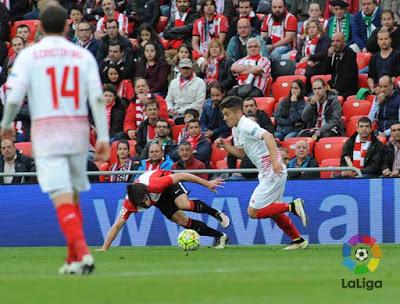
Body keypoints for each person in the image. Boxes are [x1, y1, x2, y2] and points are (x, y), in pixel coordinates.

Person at [0, 5, 110, 275]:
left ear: (39, 28)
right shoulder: (82, 55)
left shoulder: (29, 55)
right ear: (66, 27)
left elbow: (14, 97)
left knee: (61, 196)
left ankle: (83, 254)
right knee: (71, 194)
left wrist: (5, 124)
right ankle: (73, 260)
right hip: (77, 131)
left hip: (48, 132)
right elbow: (96, 97)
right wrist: (104, 136)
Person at [215, 96, 309, 250]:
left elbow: (268, 136)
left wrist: (274, 161)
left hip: (272, 170)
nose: (224, 118)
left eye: (227, 114)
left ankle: (292, 206)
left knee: (253, 211)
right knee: (272, 210)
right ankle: (298, 240)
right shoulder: (236, 128)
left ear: (238, 112)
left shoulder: (246, 124)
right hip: (268, 171)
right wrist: (225, 146)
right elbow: (242, 153)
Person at [97, 169, 230, 250]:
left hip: (168, 184)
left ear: (147, 192)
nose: (147, 203)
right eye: (143, 203)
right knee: (182, 221)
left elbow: (183, 175)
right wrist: (104, 248)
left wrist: (208, 184)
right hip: (159, 198)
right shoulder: (129, 204)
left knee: (183, 204)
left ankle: (216, 213)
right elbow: (117, 225)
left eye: (146, 199)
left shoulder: (155, 184)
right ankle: (220, 237)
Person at [166, 58, 207, 122]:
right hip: (174, 111)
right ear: (179, 69)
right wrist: (170, 109)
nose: (185, 70)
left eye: (187, 68)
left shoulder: (200, 82)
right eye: (183, 68)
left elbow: (199, 103)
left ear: (192, 69)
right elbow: (168, 100)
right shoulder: (173, 82)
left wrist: (180, 111)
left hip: (192, 112)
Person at [323, 32, 358, 99]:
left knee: (325, 97)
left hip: (347, 91)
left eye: (338, 41)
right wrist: (329, 56)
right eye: (333, 41)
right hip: (334, 87)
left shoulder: (350, 54)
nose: (334, 44)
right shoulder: (336, 54)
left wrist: (335, 90)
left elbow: (347, 77)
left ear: (344, 42)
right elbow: (325, 71)